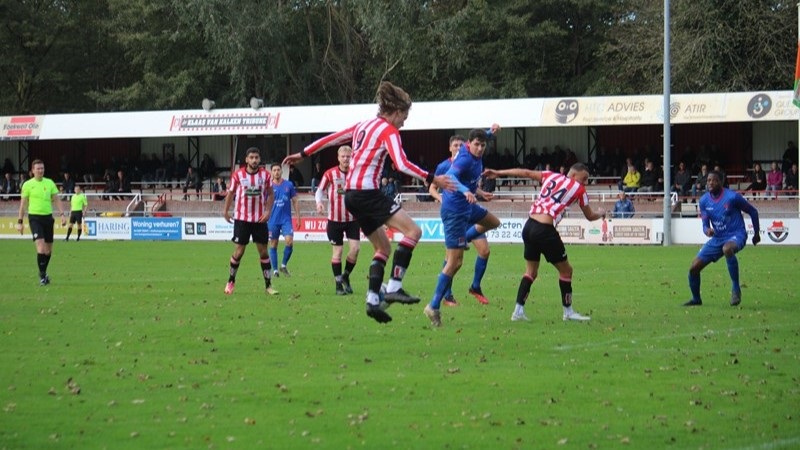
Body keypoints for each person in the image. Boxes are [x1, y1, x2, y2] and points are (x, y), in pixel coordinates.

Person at [282, 81, 455, 324]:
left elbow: (332, 138)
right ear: (395, 112)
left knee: (383, 248)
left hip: (351, 195)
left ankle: (373, 300)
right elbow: (402, 164)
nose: (404, 122)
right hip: (368, 193)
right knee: (414, 231)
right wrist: (433, 178)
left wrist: (303, 154)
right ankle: (394, 286)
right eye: (404, 117)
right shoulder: (388, 131)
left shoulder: (362, 125)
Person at [482, 163, 605, 322]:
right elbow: (589, 216)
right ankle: (568, 312)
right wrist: (601, 213)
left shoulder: (550, 176)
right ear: (574, 175)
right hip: (544, 229)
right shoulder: (579, 189)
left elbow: (525, 172)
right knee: (566, 271)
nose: (585, 183)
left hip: (529, 226)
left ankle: (518, 311)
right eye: (584, 179)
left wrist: (498, 171)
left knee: (531, 272)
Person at [423, 126, 501, 327]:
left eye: (483, 145)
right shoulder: (465, 158)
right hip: (455, 211)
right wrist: (466, 191)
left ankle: (464, 239)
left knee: (494, 222)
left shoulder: (477, 149)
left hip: (469, 206)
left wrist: (491, 131)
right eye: (477, 144)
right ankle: (433, 305)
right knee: (455, 262)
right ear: (469, 144)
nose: (480, 148)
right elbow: (451, 177)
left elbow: (483, 137)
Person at [683, 171, 760, 307]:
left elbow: (753, 211)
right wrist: (707, 230)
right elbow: (705, 224)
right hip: (718, 238)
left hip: (736, 234)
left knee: (727, 249)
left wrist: (756, 234)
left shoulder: (732, 197)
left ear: (721, 182)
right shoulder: (704, 201)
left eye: (714, 180)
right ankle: (696, 299)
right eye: (708, 180)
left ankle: (736, 288)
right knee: (693, 268)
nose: (710, 183)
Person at [222, 147, 277, 296]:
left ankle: (268, 285)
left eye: (256, 157)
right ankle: (231, 281)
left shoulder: (265, 175)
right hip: (242, 219)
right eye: (251, 157)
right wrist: (226, 211)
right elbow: (231, 193)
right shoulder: (238, 175)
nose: (254, 160)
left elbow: (271, 194)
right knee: (239, 252)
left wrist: (267, 211)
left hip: (259, 220)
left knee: (264, 252)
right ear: (246, 159)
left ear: (259, 159)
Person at [314, 146, 361, 295]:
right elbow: (320, 190)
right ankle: (338, 285)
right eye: (343, 156)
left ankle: (345, 276)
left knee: (355, 249)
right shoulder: (330, 173)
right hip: (334, 220)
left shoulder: (356, 173)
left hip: (353, 219)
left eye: (348, 156)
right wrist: (319, 202)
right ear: (338, 157)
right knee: (338, 251)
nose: (346, 159)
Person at [16, 159, 67, 285]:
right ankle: (43, 276)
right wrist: (20, 221)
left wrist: (62, 214)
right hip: (35, 218)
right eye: (38, 169)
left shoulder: (49, 183)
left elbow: (57, 200)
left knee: (48, 251)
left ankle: (43, 272)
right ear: (32, 171)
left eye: (42, 168)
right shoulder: (27, 185)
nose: (40, 171)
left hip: (48, 218)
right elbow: (23, 204)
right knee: (41, 247)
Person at [268, 163, 301, 278]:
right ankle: (275, 270)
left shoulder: (289, 185)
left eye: (278, 170)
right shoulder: (268, 186)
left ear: (282, 171)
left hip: (286, 219)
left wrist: (298, 217)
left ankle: (283, 265)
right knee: (273, 243)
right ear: (271, 172)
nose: (276, 172)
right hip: (272, 220)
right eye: (274, 170)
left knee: (289, 241)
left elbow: (295, 201)